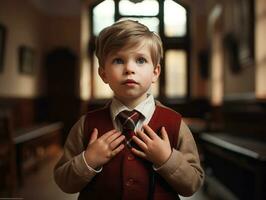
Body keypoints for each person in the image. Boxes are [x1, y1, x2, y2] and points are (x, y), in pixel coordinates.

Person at [54, 20, 204, 200]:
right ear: (103, 74)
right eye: (118, 60)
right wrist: (89, 160)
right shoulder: (85, 124)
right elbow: (64, 181)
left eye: (140, 60)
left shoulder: (175, 123)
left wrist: (167, 159)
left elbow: (192, 184)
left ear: (155, 72)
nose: (129, 69)